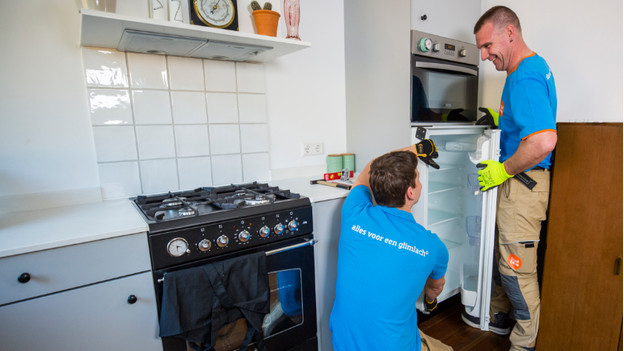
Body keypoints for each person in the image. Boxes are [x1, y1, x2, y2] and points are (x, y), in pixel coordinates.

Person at [462, 6, 558, 351]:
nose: (485, 56)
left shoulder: (526, 76)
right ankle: (499, 318)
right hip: (517, 185)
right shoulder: (522, 72)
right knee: (503, 258)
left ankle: (524, 344)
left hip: (524, 185)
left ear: (510, 34)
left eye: (488, 46)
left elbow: (544, 140)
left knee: (517, 272)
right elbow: (526, 128)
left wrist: (502, 169)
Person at [329, 141, 453, 351]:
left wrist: (416, 148)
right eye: (418, 179)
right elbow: (435, 287)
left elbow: (370, 167)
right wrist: (430, 300)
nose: (419, 182)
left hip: (343, 343)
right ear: (410, 193)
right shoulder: (432, 246)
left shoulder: (354, 213)